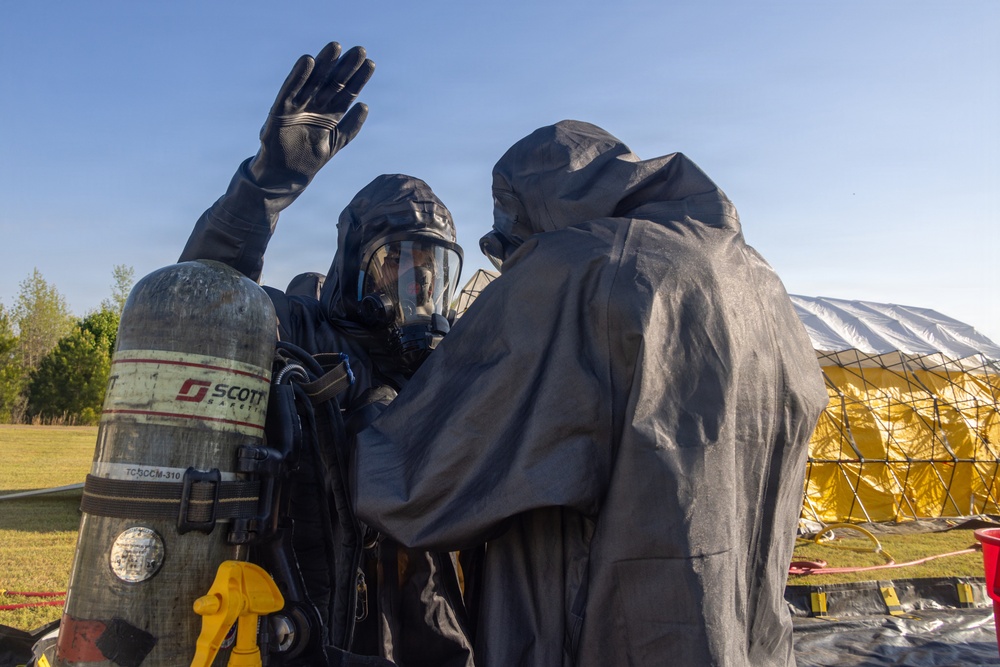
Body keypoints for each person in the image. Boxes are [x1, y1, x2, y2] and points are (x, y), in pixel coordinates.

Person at [353, 120, 830, 666]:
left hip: (604, 640)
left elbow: (417, 490)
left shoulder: (576, 272)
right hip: (748, 642)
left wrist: (370, 417)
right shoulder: (761, 284)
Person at [179, 42, 473, 667]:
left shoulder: (450, 368)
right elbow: (202, 302)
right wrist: (265, 186)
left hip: (432, 640)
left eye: (432, 264)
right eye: (398, 260)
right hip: (308, 629)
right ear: (356, 263)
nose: (417, 282)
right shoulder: (300, 331)